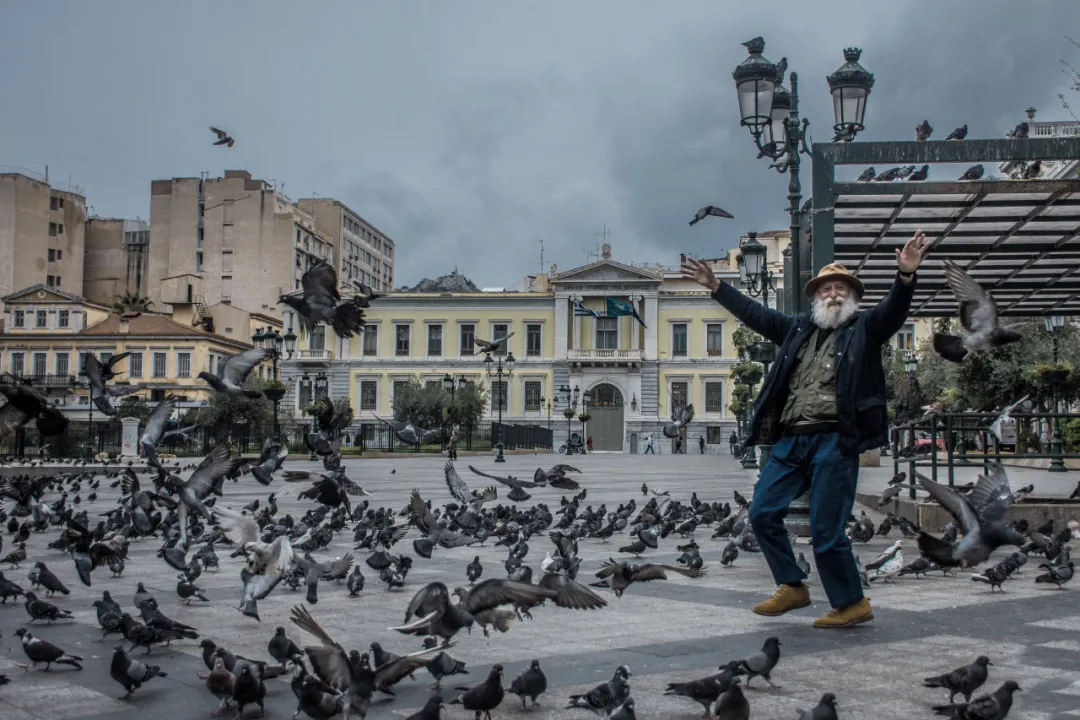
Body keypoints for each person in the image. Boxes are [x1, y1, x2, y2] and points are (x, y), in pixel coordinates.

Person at [681, 230, 929, 629]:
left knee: (825, 529)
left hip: (835, 438)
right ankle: (792, 586)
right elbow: (758, 315)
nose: (832, 293)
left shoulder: (864, 329)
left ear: (851, 297)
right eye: (826, 288)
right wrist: (716, 287)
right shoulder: (798, 329)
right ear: (816, 298)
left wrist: (905, 277)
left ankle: (851, 603)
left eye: (840, 288)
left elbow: (893, 313)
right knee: (761, 513)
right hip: (792, 438)